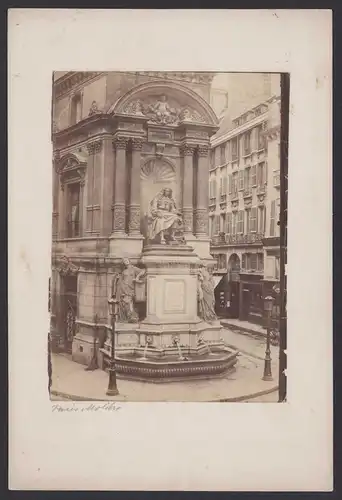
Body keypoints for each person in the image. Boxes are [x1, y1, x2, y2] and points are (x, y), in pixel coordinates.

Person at [112, 258, 145, 323]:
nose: (125, 261)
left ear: (129, 261)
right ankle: (126, 317)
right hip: (123, 288)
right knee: (124, 302)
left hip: (130, 288)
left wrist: (137, 277)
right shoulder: (124, 271)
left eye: (126, 260)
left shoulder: (133, 268)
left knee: (129, 301)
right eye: (124, 261)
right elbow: (121, 280)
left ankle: (132, 316)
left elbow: (143, 271)